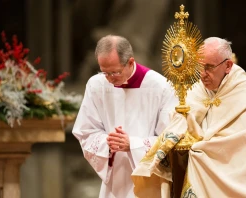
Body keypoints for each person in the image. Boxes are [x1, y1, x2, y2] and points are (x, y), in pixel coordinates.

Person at [132, 37, 246, 197]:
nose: (202, 74)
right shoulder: (199, 90)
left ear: (228, 66)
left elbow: (244, 152)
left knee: (198, 158)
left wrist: (201, 148)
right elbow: (180, 119)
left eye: (209, 67)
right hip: (204, 167)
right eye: (199, 66)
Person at [72, 35, 178, 198]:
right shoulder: (96, 85)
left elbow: (170, 138)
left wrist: (133, 145)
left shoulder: (161, 87)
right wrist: (107, 142)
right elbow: (85, 131)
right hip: (115, 182)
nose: (109, 79)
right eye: (104, 72)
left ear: (130, 62)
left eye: (114, 72)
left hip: (149, 181)